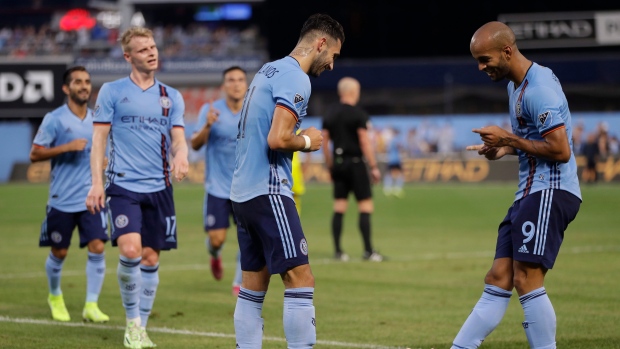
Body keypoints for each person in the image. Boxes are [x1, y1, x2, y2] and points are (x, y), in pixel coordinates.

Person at [452, 21, 582, 349]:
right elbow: (531, 140)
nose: (481, 68)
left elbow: (561, 151)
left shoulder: (540, 89)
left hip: (550, 191)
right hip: (529, 192)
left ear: (507, 51)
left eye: (485, 60)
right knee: (499, 277)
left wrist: (509, 137)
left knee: (526, 279)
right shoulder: (516, 85)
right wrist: (503, 148)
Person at [229, 13, 344, 349]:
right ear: (321, 44)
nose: (332, 66)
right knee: (300, 279)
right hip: (268, 191)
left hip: (243, 193)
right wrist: (308, 141)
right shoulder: (296, 78)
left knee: (253, 286)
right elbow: (278, 139)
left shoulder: (269, 69)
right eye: (334, 56)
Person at [85, 26, 188, 349]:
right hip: (123, 186)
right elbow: (99, 140)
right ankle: (131, 324)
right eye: (143, 50)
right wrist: (96, 183)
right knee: (130, 250)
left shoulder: (172, 96)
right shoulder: (112, 92)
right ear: (128, 56)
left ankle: (142, 325)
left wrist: (182, 156)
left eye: (154, 47)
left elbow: (178, 140)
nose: (152, 52)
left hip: (160, 188)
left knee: (150, 257)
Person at [30, 66, 110, 323]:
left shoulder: (98, 119)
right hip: (62, 200)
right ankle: (55, 296)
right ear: (67, 88)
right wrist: (67, 147)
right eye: (78, 82)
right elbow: (35, 154)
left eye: (87, 82)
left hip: (92, 198)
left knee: (98, 246)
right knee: (59, 252)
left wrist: (104, 161)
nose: (84, 86)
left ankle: (91, 304)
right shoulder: (54, 119)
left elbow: (102, 150)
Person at [190, 66, 248, 297]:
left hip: (246, 188)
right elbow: (195, 144)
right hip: (217, 187)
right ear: (224, 86)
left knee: (248, 238)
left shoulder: (254, 110)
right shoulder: (211, 110)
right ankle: (215, 254)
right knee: (217, 239)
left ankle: (239, 281)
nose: (236, 84)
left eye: (240, 79)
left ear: (246, 84)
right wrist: (207, 125)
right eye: (231, 80)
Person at [321, 76, 383, 262]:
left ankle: (339, 251)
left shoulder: (330, 113)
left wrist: (330, 165)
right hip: (356, 163)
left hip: (339, 163)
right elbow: (364, 141)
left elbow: (325, 142)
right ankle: (368, 251)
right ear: (354, 92)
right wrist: (373, 166)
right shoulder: (358, 113)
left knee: (339, 206)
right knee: (365, 206)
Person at [382, 127, 405, 198]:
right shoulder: (396, 139)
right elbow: (400, 147)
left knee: (389, 174)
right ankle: (397, 189)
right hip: (396, 159)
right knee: (400, 174)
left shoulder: (390, 140)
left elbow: (386, 148)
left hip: (390, 159)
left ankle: (387, 189)